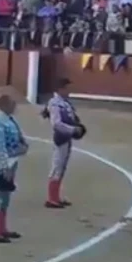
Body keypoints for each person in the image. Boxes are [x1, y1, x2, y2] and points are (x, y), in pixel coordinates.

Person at [0, 87, 28, 244]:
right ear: (4, 105)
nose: (15, 106)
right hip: (4, 163)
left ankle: (2, 228)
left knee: (5, 196)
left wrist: (23, 147)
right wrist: (4, 168)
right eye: (12, 103)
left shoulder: (8, 120)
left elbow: (18, 139)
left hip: (12, 160)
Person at [44, 77, 84, 208]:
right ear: (61, 89)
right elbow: (56, 124)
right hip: (61, 137)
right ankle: (51, 199)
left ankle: (55, 197)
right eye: (67, 88)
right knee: (57, 166)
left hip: (66, 137)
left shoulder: (63, 102)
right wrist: (73, 129)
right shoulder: (55, 103)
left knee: (61, 167)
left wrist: (76, 125)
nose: (69, 91)